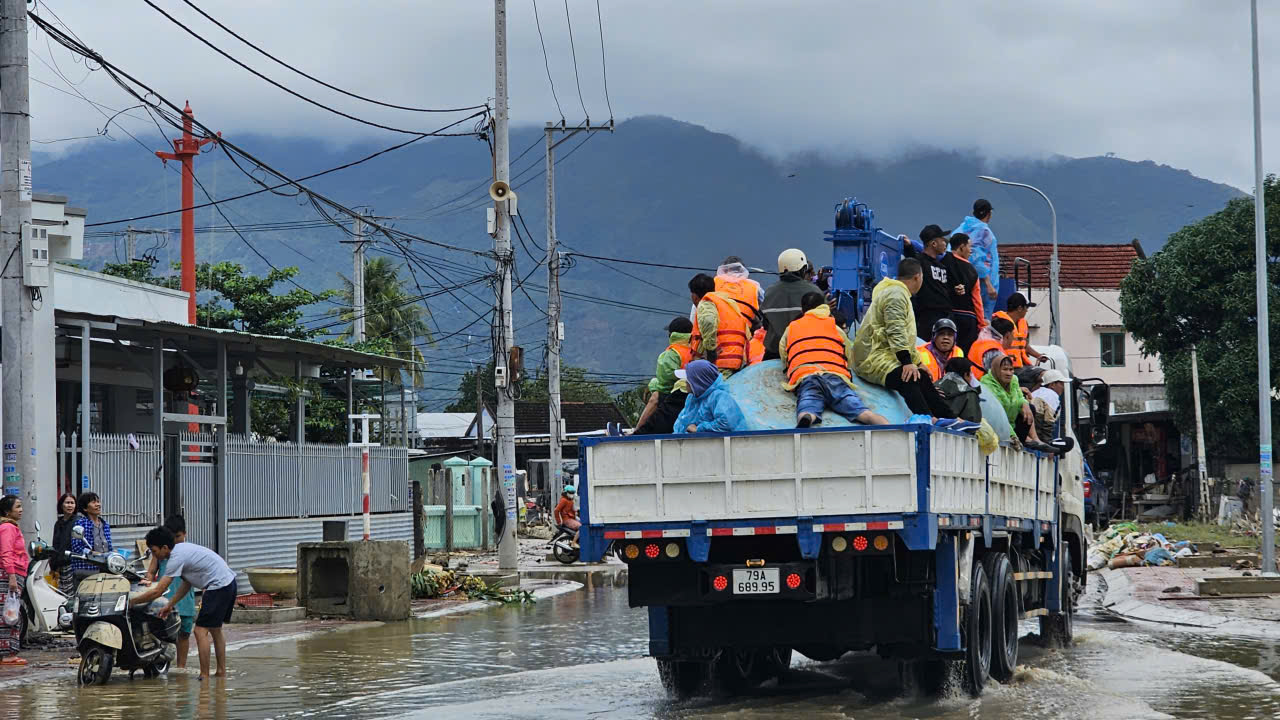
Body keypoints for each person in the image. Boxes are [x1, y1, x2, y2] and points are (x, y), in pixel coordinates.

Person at [852, 258, 956, 420]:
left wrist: (918, 363)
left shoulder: (899, 294)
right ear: (917, 277)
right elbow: (896, 330)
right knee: (908, 377)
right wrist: (907, 361)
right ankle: (929, 418)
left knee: (920, 374)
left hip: (884, 354)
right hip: (872, 358)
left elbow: (905, 339)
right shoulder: (896, 295)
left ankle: (949, 418)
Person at [132, 527, 237, 681]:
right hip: (229, 583)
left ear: (165, 548)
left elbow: (158, 591)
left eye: (154, 551)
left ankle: (204, 677)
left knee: (200, 631)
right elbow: (187, 583)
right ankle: (220, 672)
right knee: (215, 630)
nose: (154, 556)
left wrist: (131, 602)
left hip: (218, 586)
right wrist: (170, 605)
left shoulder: (175, 558)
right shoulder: (181, 550)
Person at [780, 292, 888, 428]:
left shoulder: (792, 328)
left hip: (807, 376)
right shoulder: (835, 327)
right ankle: (883, 425)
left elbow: (784, 353)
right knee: (862, 412)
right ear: (824, 307)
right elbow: (848, 354)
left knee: (808, 404)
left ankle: (808, 416)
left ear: (803, 310)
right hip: (835, 376)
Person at [145, 515, 198, 670]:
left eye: (178, 536)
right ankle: (162, 666)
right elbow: (151, 571)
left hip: (185, 600)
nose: (175, 540)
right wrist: (148, 579)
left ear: (185, 534)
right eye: (172, 537)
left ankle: (181, 668)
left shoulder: (189, 551)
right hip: (165, 598)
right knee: (164, 634)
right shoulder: (161, 552)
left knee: (184, 634)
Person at [633, 318, 695, 435]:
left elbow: (665, 382)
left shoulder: (671, 354)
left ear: (672, 335)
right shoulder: (696, 349)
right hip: (693, 391)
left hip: (677, 393)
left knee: (655, 397)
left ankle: (636, 431)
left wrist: (652, 384)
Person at [761, 249, 824, 360]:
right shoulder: (815, 291)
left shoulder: (769, 292)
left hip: (774, 353)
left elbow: (765, 324)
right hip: (805, 351)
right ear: (804, 269)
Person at [980, 352, 1048, 447]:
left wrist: (1024, 404)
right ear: (996, 370)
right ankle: (1021, 439)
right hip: (996, 427)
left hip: (1012, 424)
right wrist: (1012, 435)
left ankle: (1033, 439)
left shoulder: (1014, 380)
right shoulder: (987, 384)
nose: (1009, 373)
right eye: (1005, 369)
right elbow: (998, 414)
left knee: (1029, 407)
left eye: (1011, 369)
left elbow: (1019, 396)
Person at [689, 273, 750, 376]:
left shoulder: (706, 302)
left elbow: (708, 321)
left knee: (683, 388)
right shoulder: (729, 303)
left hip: (719, 363)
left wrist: (710, 352)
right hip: (736, 361)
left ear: (694, 296)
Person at [900, 225, 955, 339]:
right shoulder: (921, 262)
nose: (945, 243)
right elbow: (912, 259)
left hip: (946, 315)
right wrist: (909, 246)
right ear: (934, 244)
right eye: (942, 240)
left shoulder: (943, 266)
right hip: (927, 318)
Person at [952, 198, 999, 321]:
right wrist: (989, 283)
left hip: (961, 279)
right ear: (989, 214)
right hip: (980, 286)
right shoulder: (983, 232)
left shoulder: (961, 229)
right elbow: (976, 258)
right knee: (981, 320)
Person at [673, 359, 748, 434]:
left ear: (698, 381)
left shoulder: (719, 397)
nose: (685, 382)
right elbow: (682, 422)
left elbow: (728, 423)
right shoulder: (692, 398)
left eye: (689, 379)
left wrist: (699, 429)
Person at [941, 232, 985, 352]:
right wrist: (981, 323)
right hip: (968, 317)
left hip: (947, 315)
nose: (971, 251)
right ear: (961, 247)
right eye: (969, 246)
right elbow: (977, 300)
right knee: (965, 353)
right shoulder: (972, 271)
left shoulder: (943, 260)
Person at [0, 497, 28, 666]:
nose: (21, 509)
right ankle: (7, 653)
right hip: (9, 575)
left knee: (11, 612)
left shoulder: (10, 527)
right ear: (7, 511)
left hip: (15, 574)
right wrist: (11, 576)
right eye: (17, 506)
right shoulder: (8, 528)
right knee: (8, 614)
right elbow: (6, 553)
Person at [69, 492, 113, 589]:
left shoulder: (105, 524)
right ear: (85, 508)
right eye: (93, 502)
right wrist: (93, 553)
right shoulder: (81, 524)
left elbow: (108, 546)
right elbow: (77, 547)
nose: (98, 504)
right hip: (87, 569)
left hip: (104, 569)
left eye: (98, 501)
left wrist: (113, 553)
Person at [711, 256, 764, 331]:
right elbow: (766, 305)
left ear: (725, 270)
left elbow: (700, 305)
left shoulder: (713, 283)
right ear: (743, 269)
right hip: (745, 333)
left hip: (717, 330)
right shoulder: (754, 286)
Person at [992, 293, 1044, 368]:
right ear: (1020, 308)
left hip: (1021, 365)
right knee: (1042, 374)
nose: (1027, 311)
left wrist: (1039, 356)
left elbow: (1023, 345)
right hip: (1005, 366)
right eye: (1026, 307)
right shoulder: (999, 322)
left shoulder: (1023, 323)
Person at [967, 316, 1016, 381]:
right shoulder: (996, 352)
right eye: (1013, 335)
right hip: (982, 386)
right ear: (1007, 335)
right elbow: (1000, 380)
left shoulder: (980, 342)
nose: (1013, 339)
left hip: (972, 381)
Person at [936, 357, 983, 423]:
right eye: (971, 373)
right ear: (966, 374)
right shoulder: (969, 393)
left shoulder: (932, 387)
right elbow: (973, 422)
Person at [52, 492, 78, 597]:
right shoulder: (58, 523)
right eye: (67, 503)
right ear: (61, 505)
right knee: (61, 595)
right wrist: (54, 564)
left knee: (70, 595)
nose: (70, 505)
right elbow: (56, 544)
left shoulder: (78, 522)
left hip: (72, 564)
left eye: (72, 503)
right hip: (60, 565)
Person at [1031, 369, 1068, 441]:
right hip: (1037, 439)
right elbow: (1048, 424)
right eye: (1061, 384)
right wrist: (1048, 446)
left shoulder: (1036, 392)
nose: (1063, 387)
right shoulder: (1051, 395)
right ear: (1052, 385)